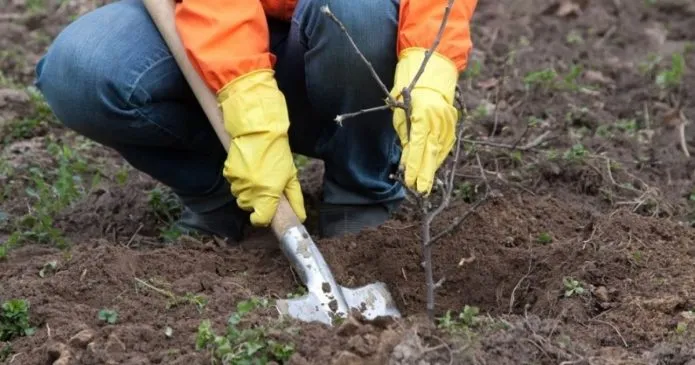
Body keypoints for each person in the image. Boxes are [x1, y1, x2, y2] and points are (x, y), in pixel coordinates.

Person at [34, 0, 478, 242]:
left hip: (339, 34)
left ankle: (361, 193)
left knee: (358, 10)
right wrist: (248, 110)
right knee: (83, 67)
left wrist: (429, 56)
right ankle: (220, 195)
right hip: (206, 17)